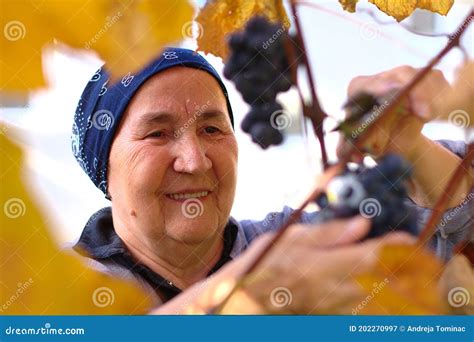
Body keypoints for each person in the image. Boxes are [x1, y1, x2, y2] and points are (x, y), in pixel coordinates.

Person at [71, 48, 473, 313]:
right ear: (103, 166)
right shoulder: (47, 284)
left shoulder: (293, 246)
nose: (195, 161)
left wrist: (409, 148)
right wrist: (236, 301)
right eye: (157, 133)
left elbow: (446, 226)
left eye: (212, 129)